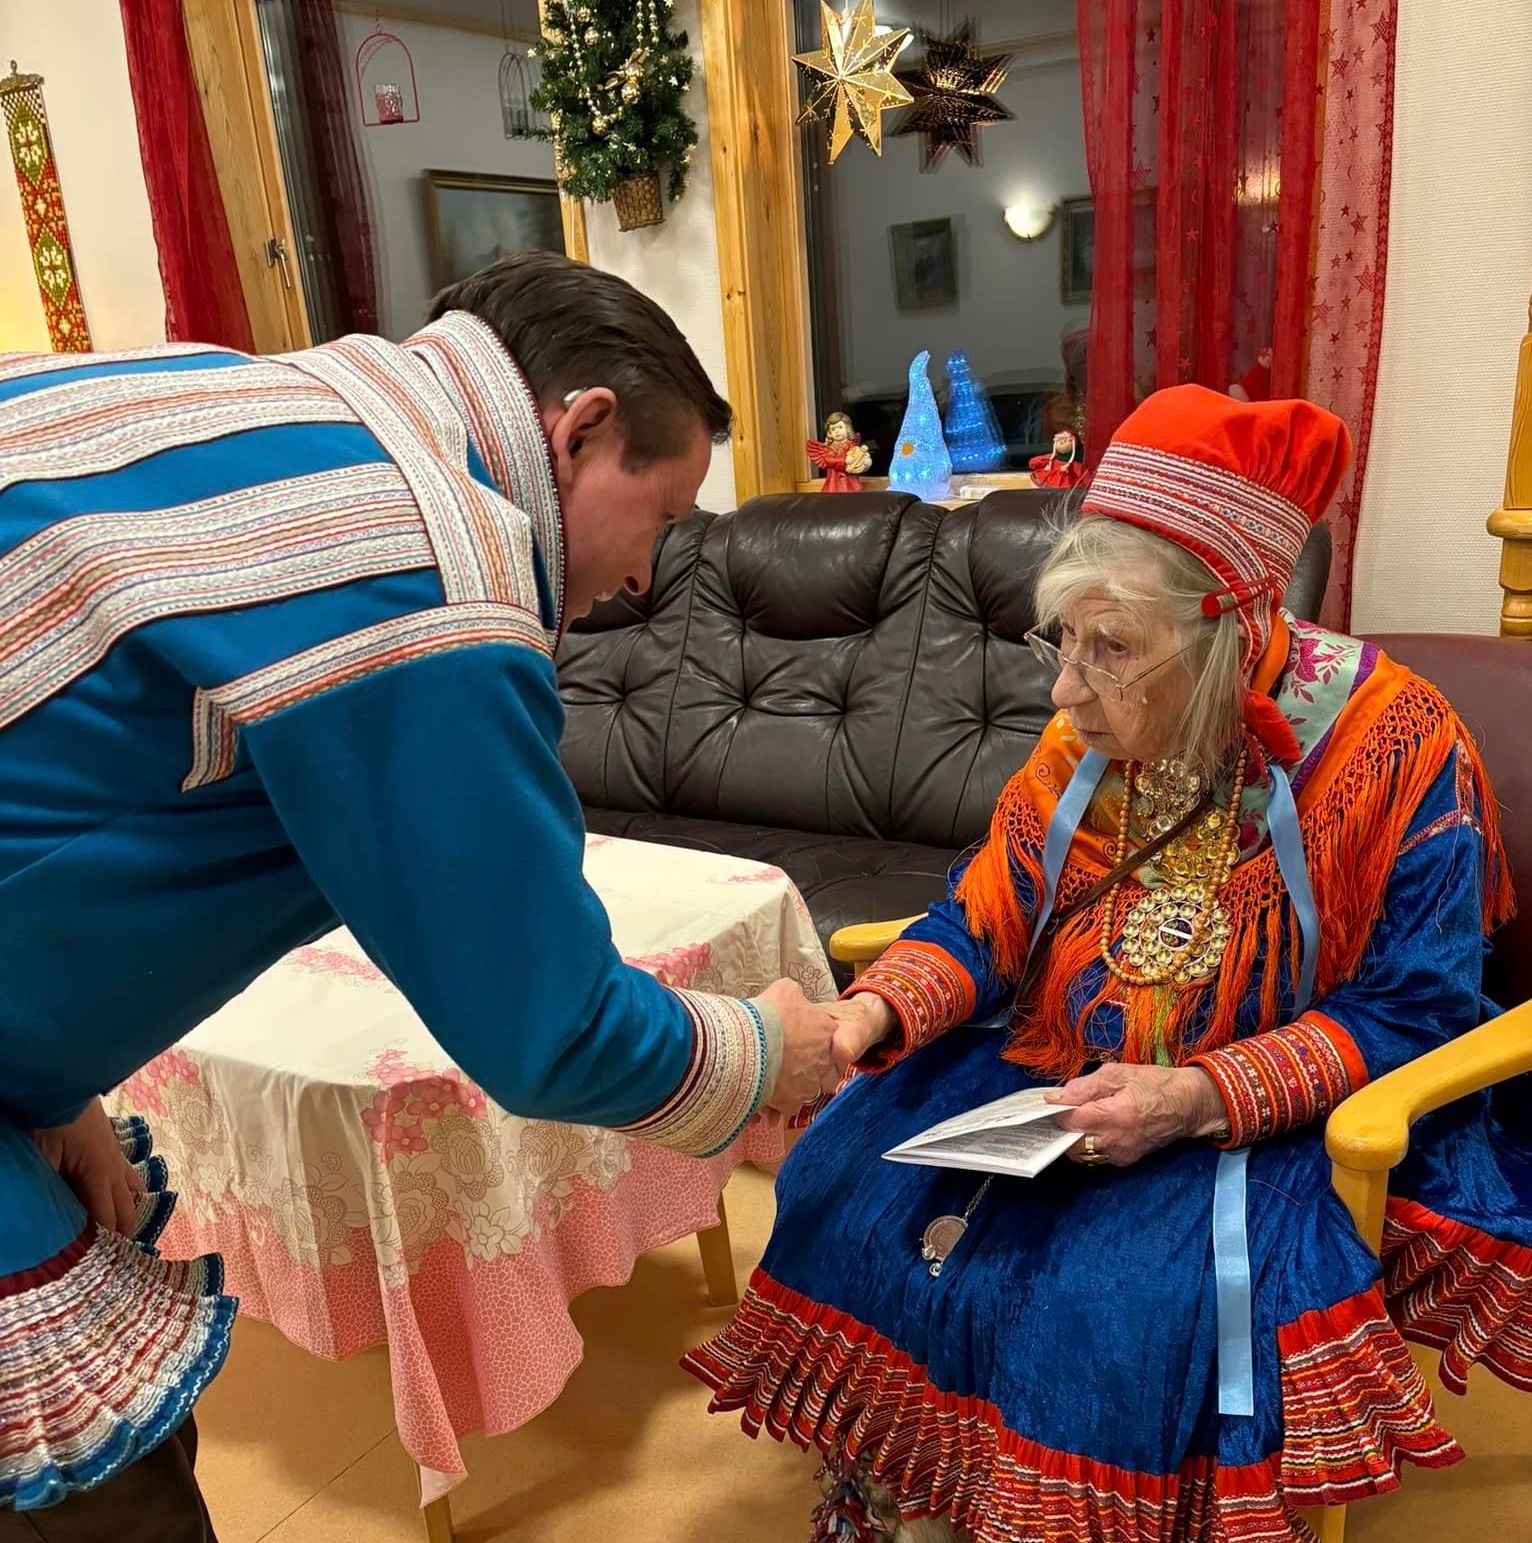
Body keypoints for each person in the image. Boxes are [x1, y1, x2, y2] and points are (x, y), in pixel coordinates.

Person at [0, 252, 839, 1537]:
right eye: (661, 516)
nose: (642, 578)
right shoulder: (430, 552)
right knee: (105, 1502)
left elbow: (60, 773)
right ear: (581, 429)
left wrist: (49, 1084)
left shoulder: (260, 406)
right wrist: (767, 1045)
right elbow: (548, 1028)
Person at [688, 385, 1532, 1543]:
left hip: (1260, 1107)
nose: (1063, 689)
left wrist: (1195, 1094)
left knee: (1111, 1302)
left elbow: (1415, 1007)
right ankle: (929, 1485)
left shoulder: (1393, 741)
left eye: (1111, 650)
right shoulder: (1083, 728)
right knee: (841, 1177)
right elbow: (984, 913)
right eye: (1061, 641)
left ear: (1225, 630)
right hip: (1062, 1065)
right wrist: (866, 1016)